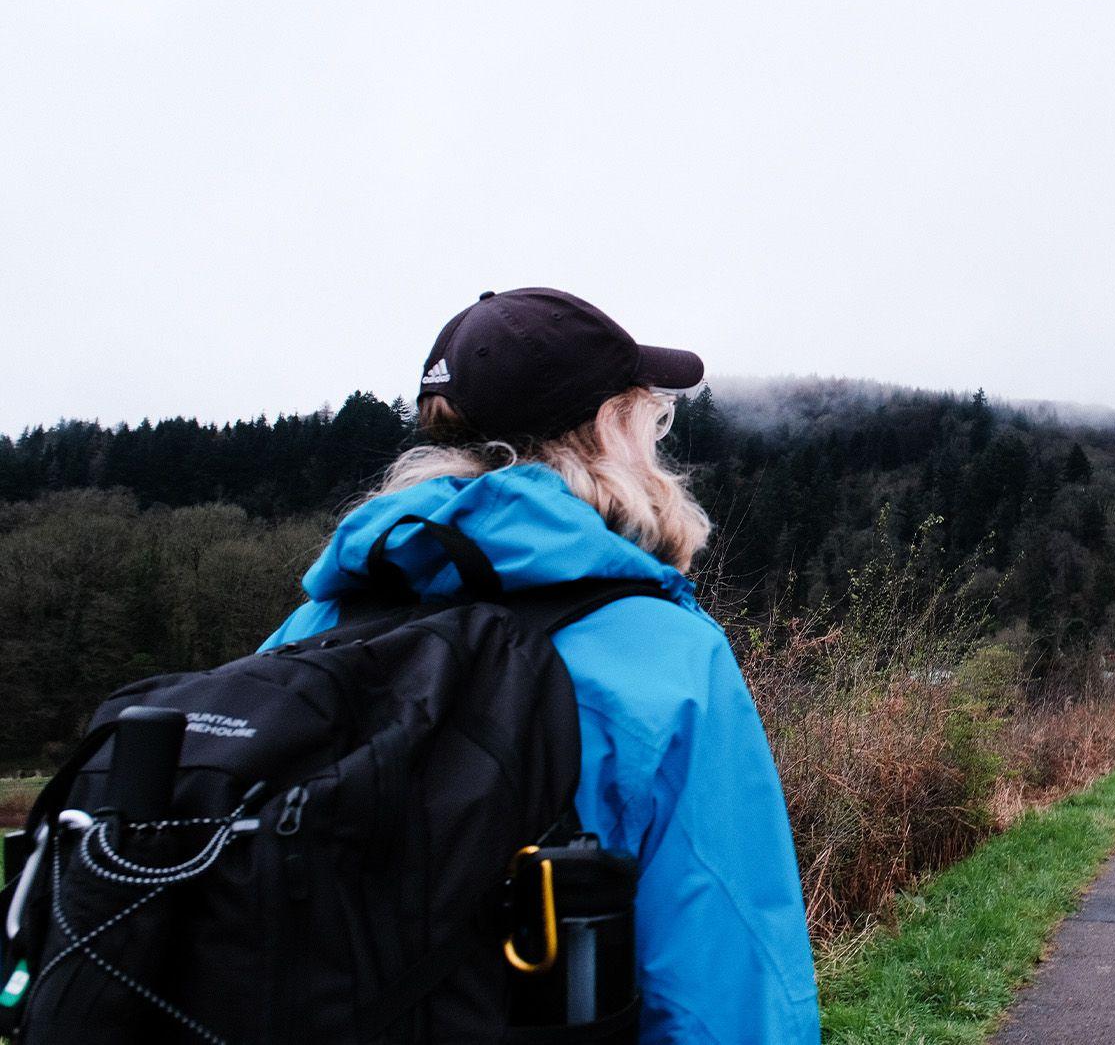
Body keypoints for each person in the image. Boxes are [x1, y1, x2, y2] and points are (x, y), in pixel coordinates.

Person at [259, 287, 821, 1043]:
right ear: (608, 426)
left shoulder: (308, 628)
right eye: (648, 415)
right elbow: (732, 989)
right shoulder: (668, 656)